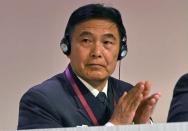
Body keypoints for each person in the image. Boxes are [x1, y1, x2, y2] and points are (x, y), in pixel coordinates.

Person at [17, 3, 161, 129]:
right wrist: (116, 126)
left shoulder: (126, 93)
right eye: (86, 40)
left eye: (107, 43)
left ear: (121, 51)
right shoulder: (41, 100)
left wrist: (143, 125)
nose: (97, 52)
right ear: (67, 48)